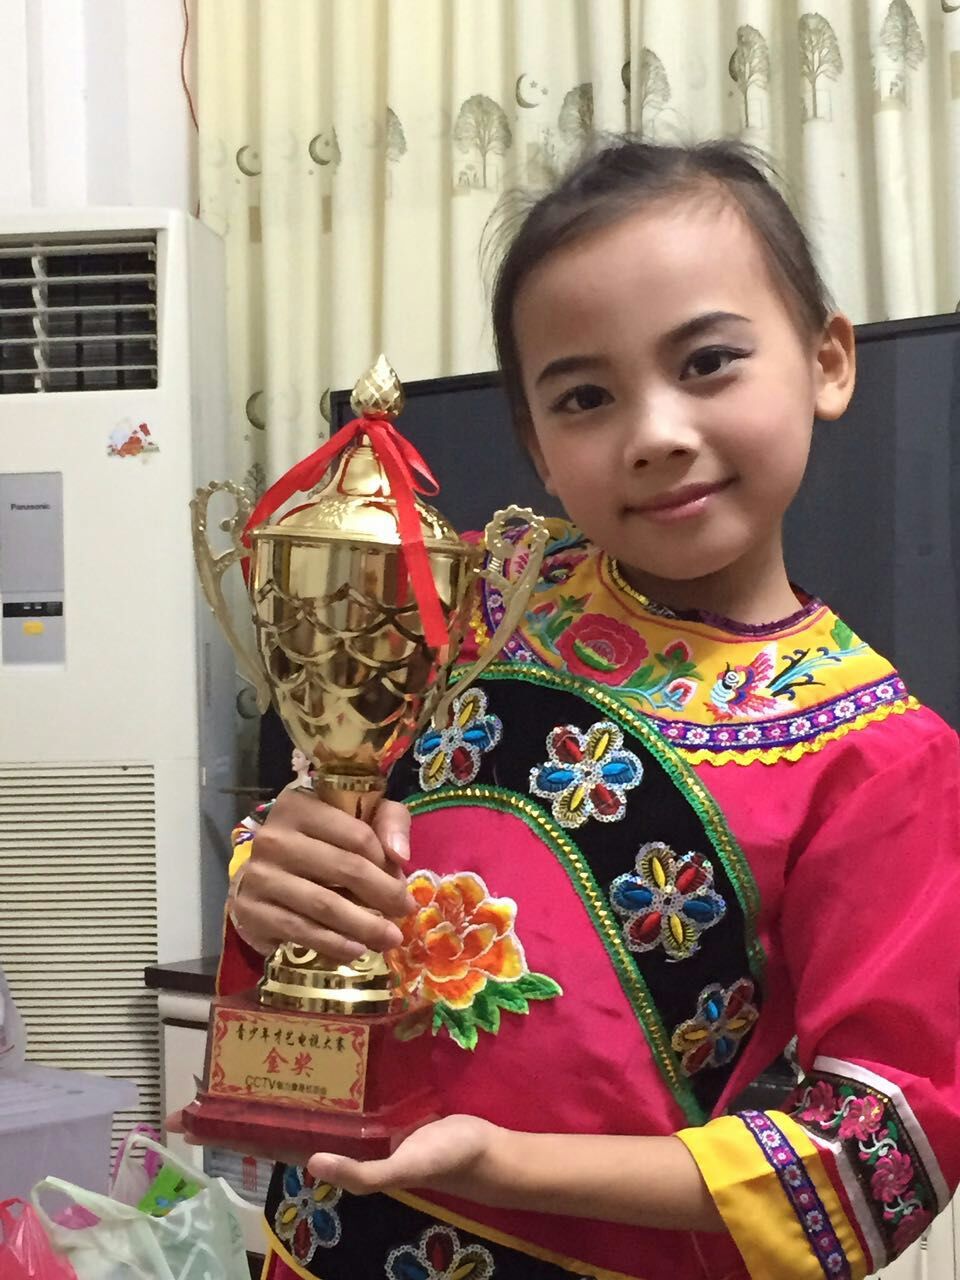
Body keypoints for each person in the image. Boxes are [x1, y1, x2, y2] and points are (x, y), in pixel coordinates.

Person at [216, 138, 960, 1280]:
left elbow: (884, 1145)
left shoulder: (885, 758)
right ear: (537, 445)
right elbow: (329, 850)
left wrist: (501, 1162)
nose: (654, 431)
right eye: (585, 396)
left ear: (827, 360)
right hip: (312, 1246)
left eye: (707, 361)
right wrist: (279, 882)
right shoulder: (470, 604)